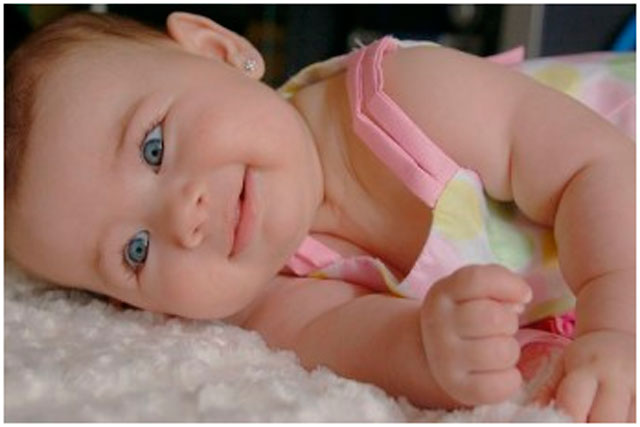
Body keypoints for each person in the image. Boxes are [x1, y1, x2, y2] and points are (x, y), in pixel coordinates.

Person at [4, 11, 635, 422]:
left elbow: (594, 169)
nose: (183, 219)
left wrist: (616, 324)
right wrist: (437, 348)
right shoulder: (265, 302)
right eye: (135, 250)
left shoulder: (405, 99)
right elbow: (375, 344)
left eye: (154, 147)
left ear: (221, 51)